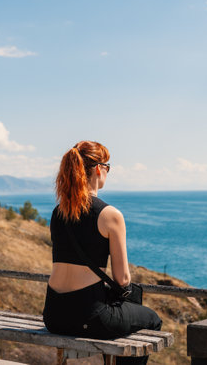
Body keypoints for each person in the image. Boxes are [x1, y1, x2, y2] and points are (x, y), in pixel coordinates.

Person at [43, 140, 162, 364]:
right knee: (151, 320)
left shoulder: (58, 212)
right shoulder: (109, 214)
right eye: (108, 166)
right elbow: (123, 278)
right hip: (89, 317)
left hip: (54, 315)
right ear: (99, 168)